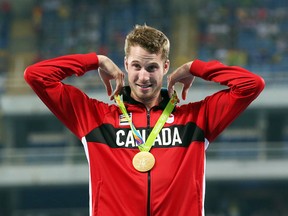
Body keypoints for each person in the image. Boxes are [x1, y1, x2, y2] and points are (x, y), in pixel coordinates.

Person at [24, 24, 265, 216]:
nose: (143, 76)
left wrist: (196, 67)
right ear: (126, 64)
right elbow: (36, 76)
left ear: (165, 67)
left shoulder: (195, 119)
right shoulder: (96, 118)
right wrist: (95, 60)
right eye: (136, 66)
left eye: (152, 67)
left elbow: (251, 85)